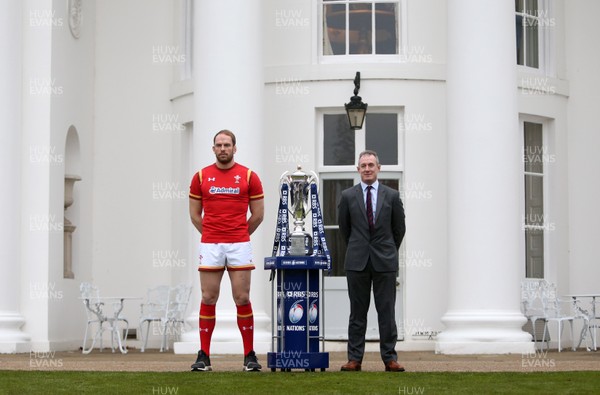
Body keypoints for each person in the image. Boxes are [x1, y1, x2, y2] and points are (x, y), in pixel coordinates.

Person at [188, 129, 265, 372]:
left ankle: (249, 356)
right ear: (213, 149)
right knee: (208, 297)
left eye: (227, 145)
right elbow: (194, 214)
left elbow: (258, 214)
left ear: (234, 148)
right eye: (219, 145)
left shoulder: (249, 176)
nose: (223, 149)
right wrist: (212, 234)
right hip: (211, 244)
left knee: (241, 298)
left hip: (239, 244)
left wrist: (239, 234)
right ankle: (203, 356)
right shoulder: (200, 177)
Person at [337, 150, 406, 372]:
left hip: (385, 262)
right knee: (357, 313)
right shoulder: (348, 196)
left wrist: (387, 250)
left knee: (387, 312)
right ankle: (354, 359)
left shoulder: (392, 196)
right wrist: (360, 248)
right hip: (357, 262)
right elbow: (344, 229)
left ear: (379, 168)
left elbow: (399, 230)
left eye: (371, 165)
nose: (367, 169)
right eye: (363, 165)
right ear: (358, 170)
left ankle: (390, 359)